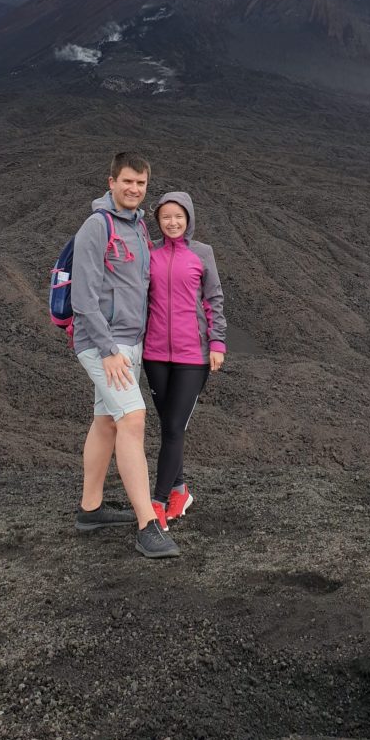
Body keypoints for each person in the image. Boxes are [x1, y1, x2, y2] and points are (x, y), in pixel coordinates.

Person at [70, 153, 180, 559]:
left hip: (130, 344)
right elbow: (83, 299)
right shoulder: (96, 228)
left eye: (141, 184)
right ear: (111, 181)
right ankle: (147, 525)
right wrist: (109, 350)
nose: (134, 189)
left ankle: (90, 509)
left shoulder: (137, 231)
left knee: (107, 422)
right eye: (127, 182)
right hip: (103, 345)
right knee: (133, 420)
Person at [142, 191, 227, 528]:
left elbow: (214, 299)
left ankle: (158, 501)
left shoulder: (201, 253)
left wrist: (217, 342)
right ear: (159, 221)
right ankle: (180, 490)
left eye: (179, 216)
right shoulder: (150, 253)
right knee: (168, 427)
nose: (173, 222)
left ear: (188, 218)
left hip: (194, 355)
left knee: (175, 426)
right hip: (155, 354)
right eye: (166, 217)